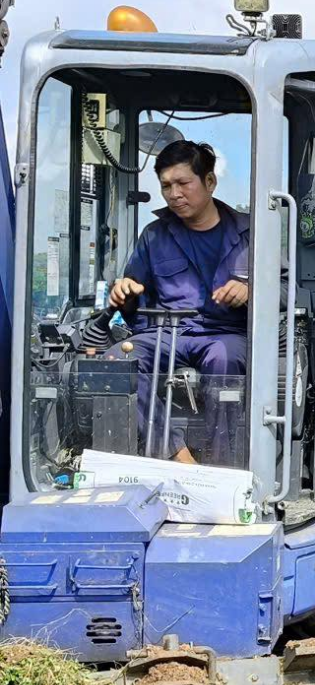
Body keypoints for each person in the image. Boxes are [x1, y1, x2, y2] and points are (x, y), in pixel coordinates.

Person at [107, 141, 247, 465]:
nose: (174, 194)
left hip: (224, 333)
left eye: (183, 183)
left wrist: (249, 292)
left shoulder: (250, 233)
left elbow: (285, 288)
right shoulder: (154, 235)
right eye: (166, 186)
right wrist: (124, 291)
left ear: (209, 181)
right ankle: (179, 456)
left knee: (225, 359)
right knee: (116, 359)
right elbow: (132, 293)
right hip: (167, 333)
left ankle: (220, 467)